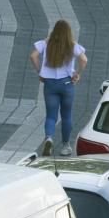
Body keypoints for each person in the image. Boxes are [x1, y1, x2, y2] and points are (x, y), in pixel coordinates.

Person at [30, 21, 89, 157]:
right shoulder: (72, 45)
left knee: (51, 115)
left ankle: (49, 138)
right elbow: (84, 60)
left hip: (50, 84)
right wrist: (78, 73)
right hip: (67, 84)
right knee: (66, 115)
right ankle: (66, 146)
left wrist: (40, 71)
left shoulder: (47, 42)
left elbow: (33, 56)